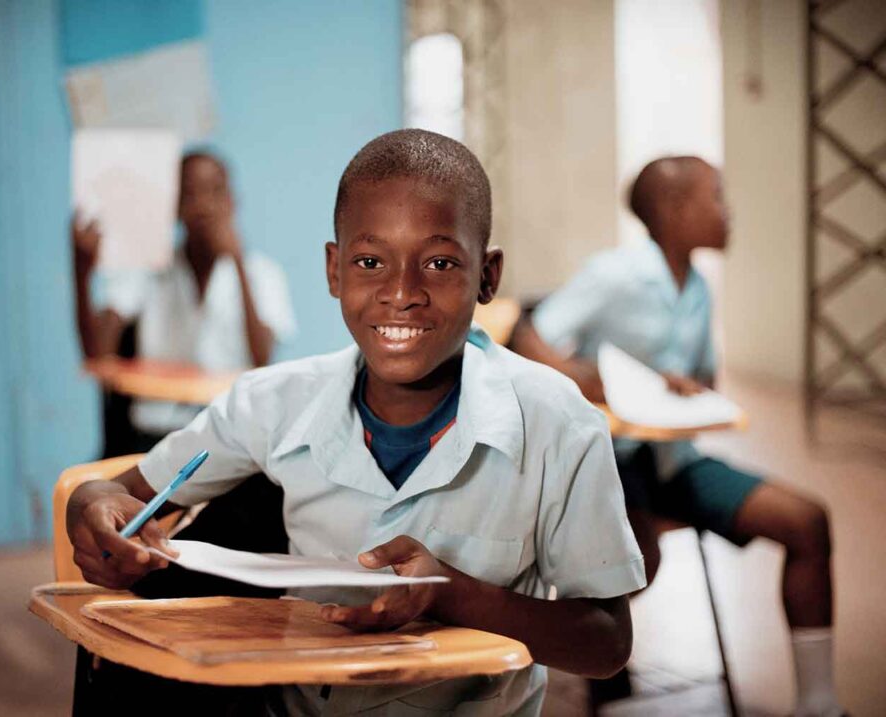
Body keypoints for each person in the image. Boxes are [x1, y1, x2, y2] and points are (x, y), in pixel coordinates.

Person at [66, 129, 646, 715]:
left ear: (488, 277)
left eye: (440, 263)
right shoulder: (272, 402)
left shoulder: (558, 424)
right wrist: (90, 506)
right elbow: (120, 492)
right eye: (370, 262)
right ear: (334, 270)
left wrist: (450, 594)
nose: (401, 292)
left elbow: (606, 641)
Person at [510, 156, 842, 717]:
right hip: (612, 462)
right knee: (638, 559)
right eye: (716, 197)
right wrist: (602, 382)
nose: (727, 211)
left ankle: (819, 705)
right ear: (673, 209)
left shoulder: (699, 289)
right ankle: (597, 663)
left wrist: (688, 389)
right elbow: (526, 335)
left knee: (807, 522)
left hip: (674, 459)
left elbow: (702, 378)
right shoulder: (615, 275)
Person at [72, 150, 296, 446]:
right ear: (175, 207)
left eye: (215, 192)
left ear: (232, 202)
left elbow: (262, 357)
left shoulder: (262, 273)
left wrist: (237, 262)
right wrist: (82, 270)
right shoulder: (147, 271)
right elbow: (98, 355)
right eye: (190, 194)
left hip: (230, 435)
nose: (203, 205)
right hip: (155, 433)